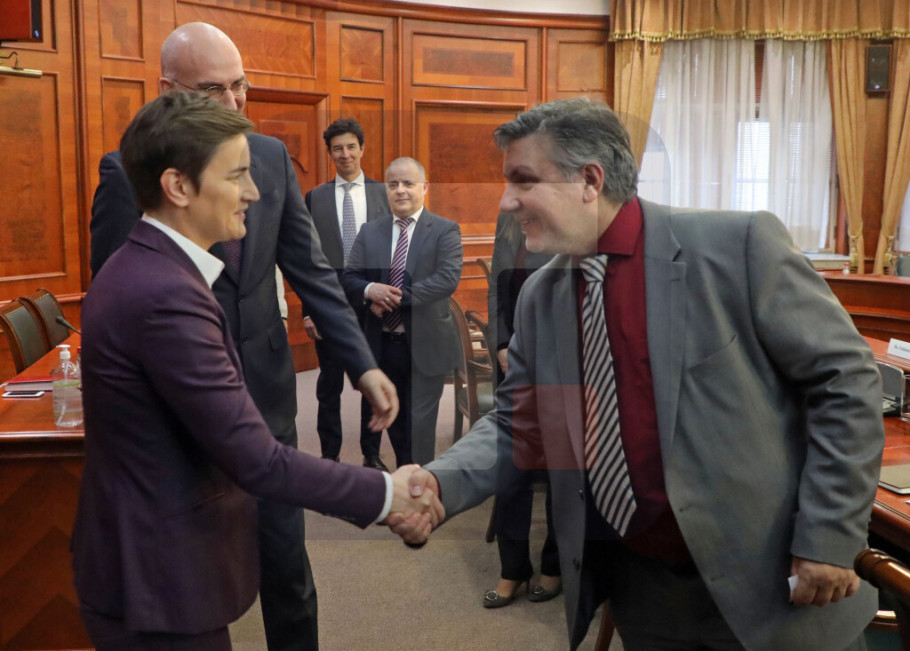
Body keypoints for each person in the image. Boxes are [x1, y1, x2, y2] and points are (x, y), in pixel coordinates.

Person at [391, 98, 885, 651]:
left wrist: (829, 533)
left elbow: (845, 380)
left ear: (589, 180)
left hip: (773, 582)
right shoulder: (540, 297)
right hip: (643, 592)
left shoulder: (736, 246)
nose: (506, 201)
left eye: (523, 180)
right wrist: (441, 481)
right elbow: (522, 423)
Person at [72, 91, 441, 650]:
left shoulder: (155, 268)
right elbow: (257, 461)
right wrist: (388, 495)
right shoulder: (166, 295)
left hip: (159, 561)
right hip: (157, 578)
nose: (253, 192)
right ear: (178, 187)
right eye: (236, 176)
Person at [342, 157, 462, 468]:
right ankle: (408, 473)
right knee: (395, 421)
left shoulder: (445, 230)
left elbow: (446, 280)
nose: (400, 190)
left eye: (408, 183)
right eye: (393, 184)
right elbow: (350, 277)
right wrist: (371, 290)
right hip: (383, 344)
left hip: (427, 343)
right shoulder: (370, 231)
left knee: (420, 425)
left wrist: (392, 298)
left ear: (425, 187)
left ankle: (417, 481)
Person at [304, 118, 391, 468]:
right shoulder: (315, 198)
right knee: (329, 385)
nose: (345, 154)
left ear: (362, 149)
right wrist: (309, 311)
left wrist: (389, 297)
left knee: (371, 378)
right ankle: (330, 456)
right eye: (337, 148)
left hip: (374, 304)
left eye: (351, 147)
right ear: (329, 153)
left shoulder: (383, 193)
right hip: (329, 304)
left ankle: (371, 453)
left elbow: (395, 247)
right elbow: (306, 260)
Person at [482, 211, 559, 608]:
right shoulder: (509, 217)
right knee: (511, 469)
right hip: (513, 359)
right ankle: (513, 569)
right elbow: (497, 288)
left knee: (561, 469)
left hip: (564, 362)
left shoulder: (572, 216)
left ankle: (554, 565)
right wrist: (500, 343)